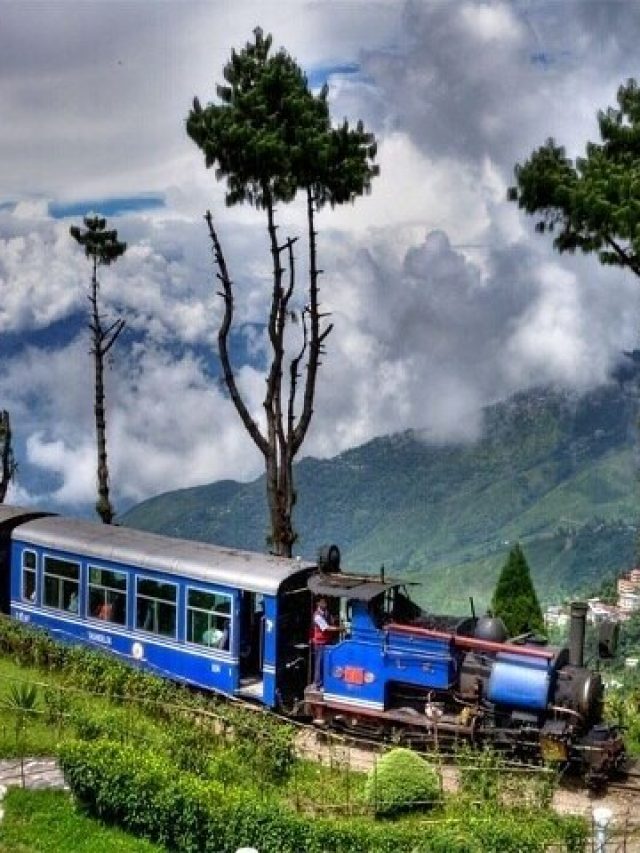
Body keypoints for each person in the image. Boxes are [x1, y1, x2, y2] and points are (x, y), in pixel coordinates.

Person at [311, 598, 340, 689]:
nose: (325, 604)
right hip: (319, 643)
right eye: (322, 603)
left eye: (325, 603)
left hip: (326, 641)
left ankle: (324, 682)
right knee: (319, 663)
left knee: (324, 662)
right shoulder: (317, 616)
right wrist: (339, 629)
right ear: (318, 604)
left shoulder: (326, 613)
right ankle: (318, 683)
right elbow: (326, 628)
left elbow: (331, 620)